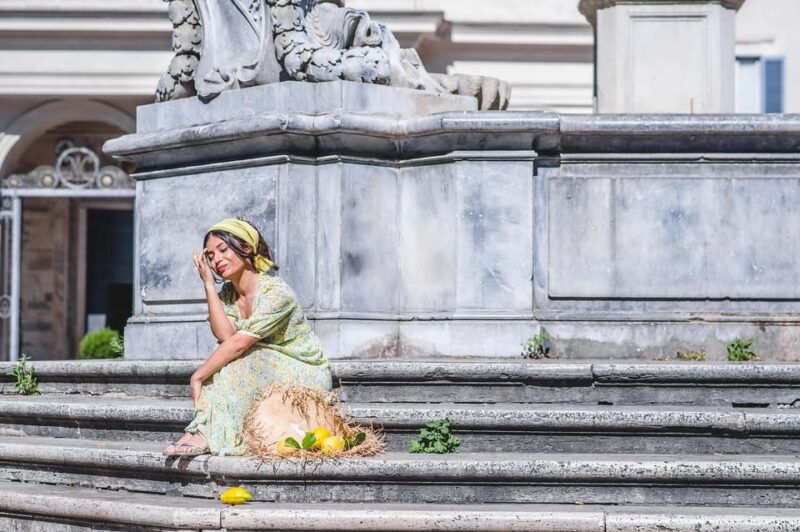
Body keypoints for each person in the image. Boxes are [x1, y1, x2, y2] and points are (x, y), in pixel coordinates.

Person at [164, 218, 332, 456]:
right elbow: (225, 335)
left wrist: (197, 376)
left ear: (247, 247)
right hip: (261, 362)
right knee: (229, 359)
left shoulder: (276, 293)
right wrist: (209, 285)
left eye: (223, 250)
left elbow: (239, 343)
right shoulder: (229, 294)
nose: (217, 260)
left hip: (301, 367)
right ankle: (200, 430)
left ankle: (206, 433)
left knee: (236, 360)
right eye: (210, 256)